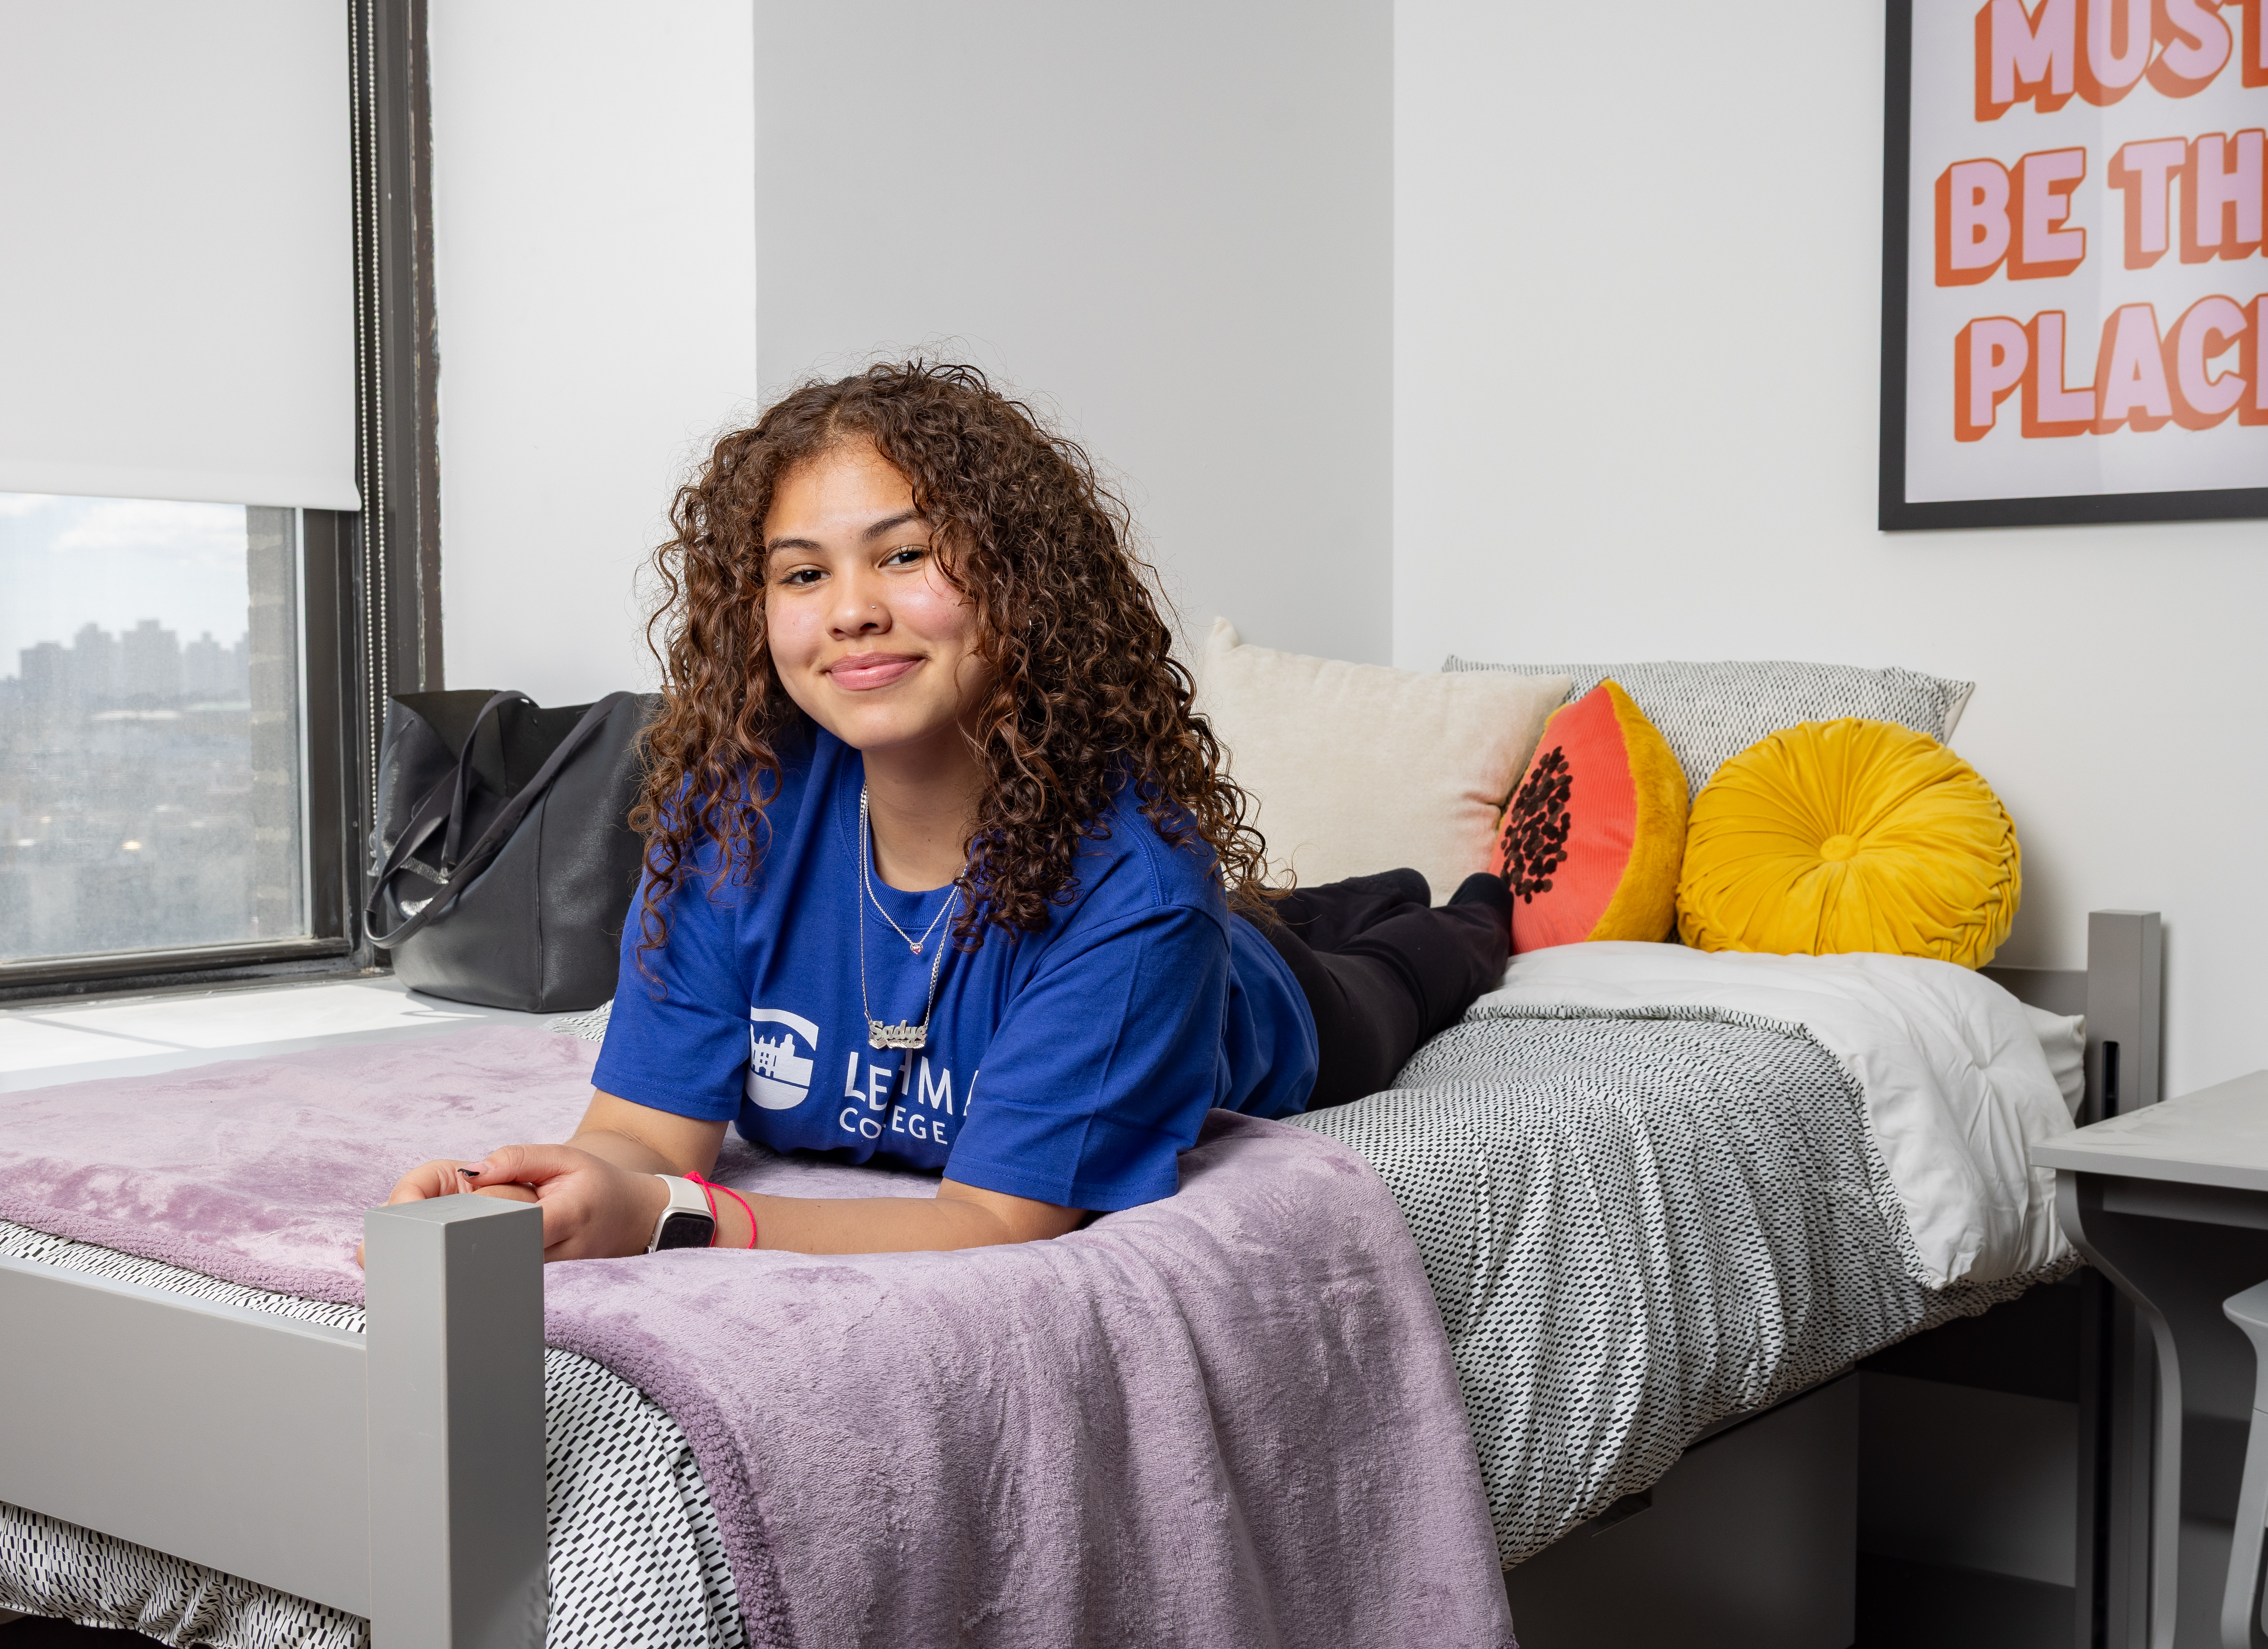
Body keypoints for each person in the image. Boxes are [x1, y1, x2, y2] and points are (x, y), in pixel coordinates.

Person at [384, 363, 1509, 1258]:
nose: (854, 613)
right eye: (804, 574)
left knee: (1417, 952)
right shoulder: (728, 822)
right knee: (1275, 904)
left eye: (906, 555)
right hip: (1165, 933)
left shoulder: (1140, 894)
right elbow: (641, 1130)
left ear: (1020, 582)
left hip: (1267, 1006)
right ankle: (1308, 904)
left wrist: (683, 1220)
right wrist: (544, 1194)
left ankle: (1476, 906)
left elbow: (996, 1218)